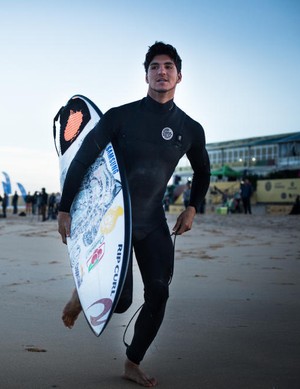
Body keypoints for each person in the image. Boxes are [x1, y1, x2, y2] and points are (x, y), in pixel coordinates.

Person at [57, 41, 210, 387]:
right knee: (121, 302)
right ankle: (83, 292)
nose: (161, 72)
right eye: (155, 67)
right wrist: (64, 207)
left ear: (179, 76)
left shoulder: (189, 128)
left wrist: (192, 207)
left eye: (168, 67)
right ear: (146, 75)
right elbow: (82, 160)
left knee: (159, 292)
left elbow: (203, 171)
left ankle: (132, 362)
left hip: (152, 219)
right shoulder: (120, 117)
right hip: (115, 223)